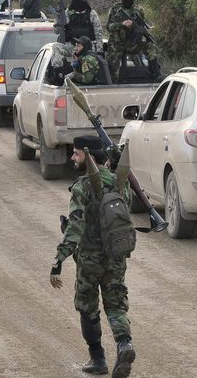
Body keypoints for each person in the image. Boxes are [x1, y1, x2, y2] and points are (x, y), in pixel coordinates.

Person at [50, 136, 136, 378]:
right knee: (116, 304)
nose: (72, 158)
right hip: (116, 256)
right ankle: (124, 344)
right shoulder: (121, 183)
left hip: (89, 259)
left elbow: (74, 229)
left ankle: (98, 359)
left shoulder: (82, 187)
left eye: (76, 154)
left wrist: (58, 260)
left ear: (88, 157)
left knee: (87, 307)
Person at [106, 0, 160, 83]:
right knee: (112, 54)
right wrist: (122, 24)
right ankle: (113, 81)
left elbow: (141, 25)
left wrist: (140, 30)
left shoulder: (138, 10)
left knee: (151, 45)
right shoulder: (115, 9)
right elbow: (109, 26)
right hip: (118, 43)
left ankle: (155, 74)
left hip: (133, 43)